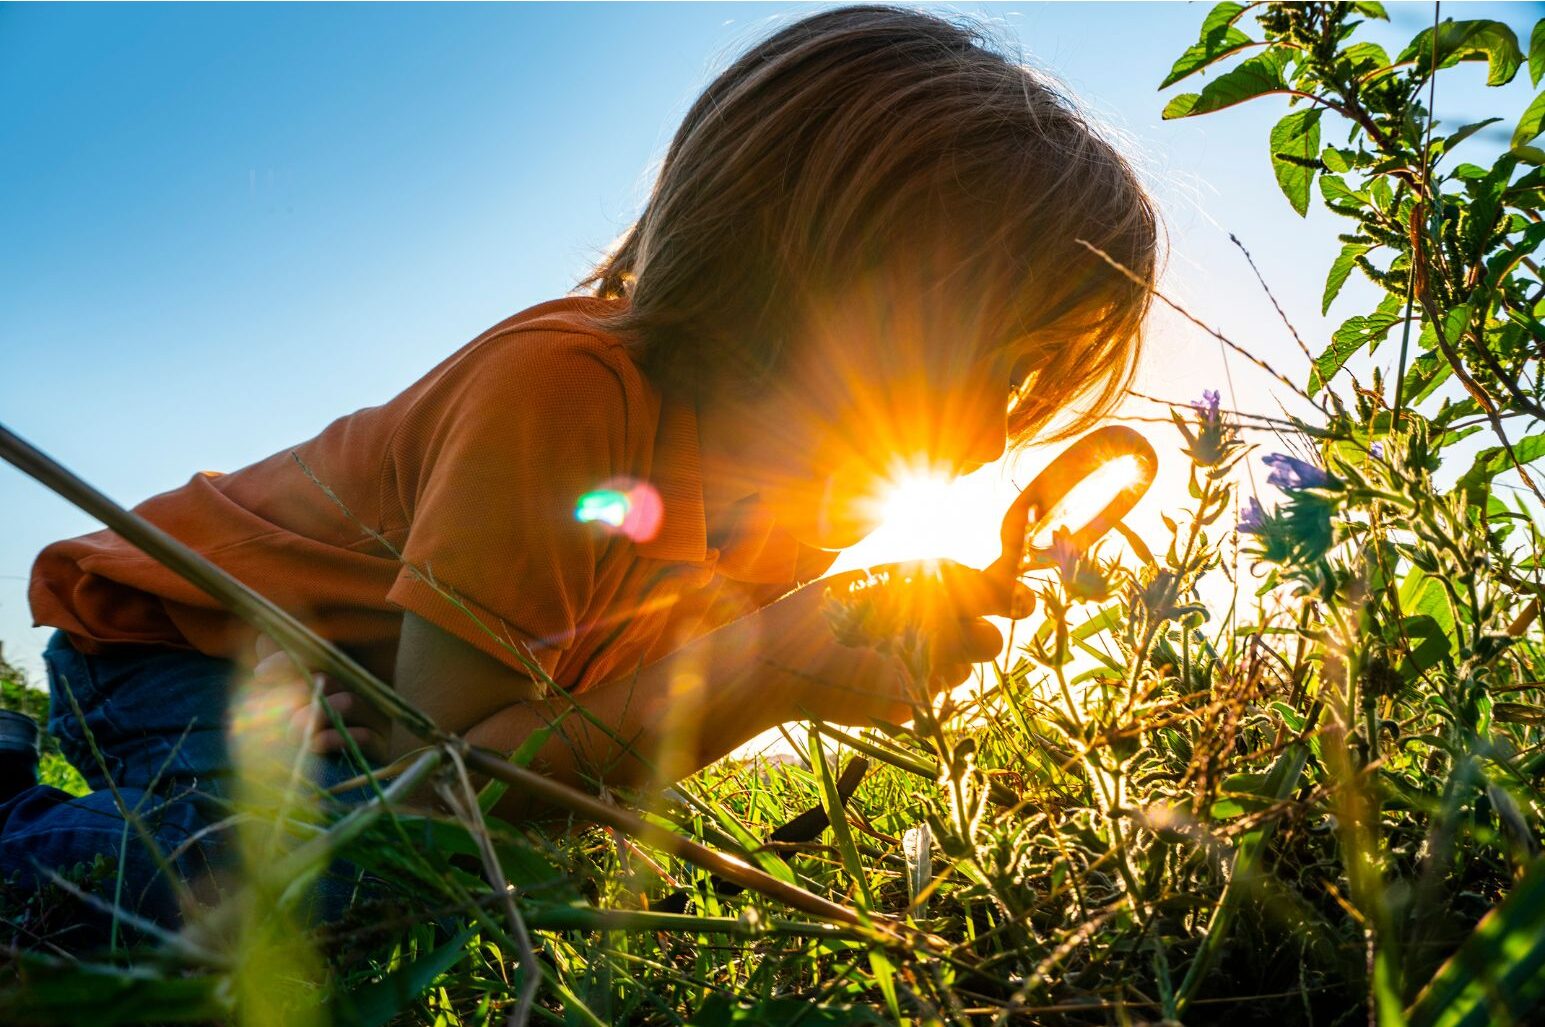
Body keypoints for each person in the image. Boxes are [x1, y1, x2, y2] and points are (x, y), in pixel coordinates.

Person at [4, 3, 1161, 945]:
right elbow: (453, 784)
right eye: (1000, 360)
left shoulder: (808, 505)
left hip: (395, 696)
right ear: (825, 277)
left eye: (1039, 381)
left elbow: (591, 739)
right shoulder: (564, 397)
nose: (1007, 426)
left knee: (485, 875)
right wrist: (766, 669)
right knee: (320, 886)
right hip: (185, 636)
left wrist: (829, 657)